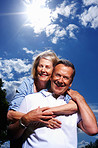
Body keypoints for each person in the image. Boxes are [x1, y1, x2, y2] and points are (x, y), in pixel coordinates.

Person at [9, 59, 98, 148]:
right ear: (51, 76)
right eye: (58, 75)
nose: (60, 80)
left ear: (70, 83)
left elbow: (92, 130)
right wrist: (26, 119)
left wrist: (80, 99)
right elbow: (11, 134)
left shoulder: (75, 105)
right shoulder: (30, 99)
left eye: (66, 77)